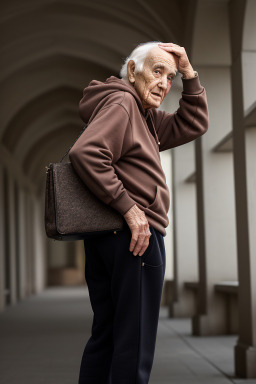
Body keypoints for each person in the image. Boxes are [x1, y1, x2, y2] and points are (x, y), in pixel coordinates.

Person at [69, 41, 209, 384]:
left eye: (170, 77)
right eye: (157, 71)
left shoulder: (143, 114)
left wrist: (189, 75)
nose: (165, 83)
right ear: (132, 71)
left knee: (108, 335)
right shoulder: (124, 103)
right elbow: (87, 153)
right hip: (134, 237)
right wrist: (130, 210)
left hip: (110, 236)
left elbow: (192, 124)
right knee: (134, 341)